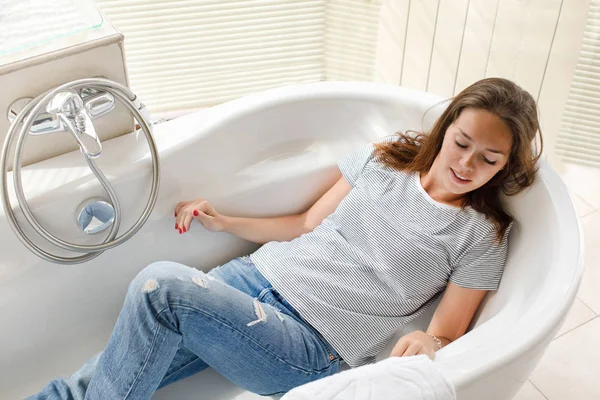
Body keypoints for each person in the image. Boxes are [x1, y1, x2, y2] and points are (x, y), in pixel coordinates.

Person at [28, 77, 542, 399]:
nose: (467, 164)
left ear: (505, 167)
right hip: (253, 280)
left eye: (489, 159)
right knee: (101, 374)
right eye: (462, 143)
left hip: (311, 344)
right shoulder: (385, 160)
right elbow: (304, 224)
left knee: (159, 289)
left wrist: (429, 340)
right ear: (447, 127)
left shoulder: (481, 234)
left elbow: (448, 335)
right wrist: (225, 220)